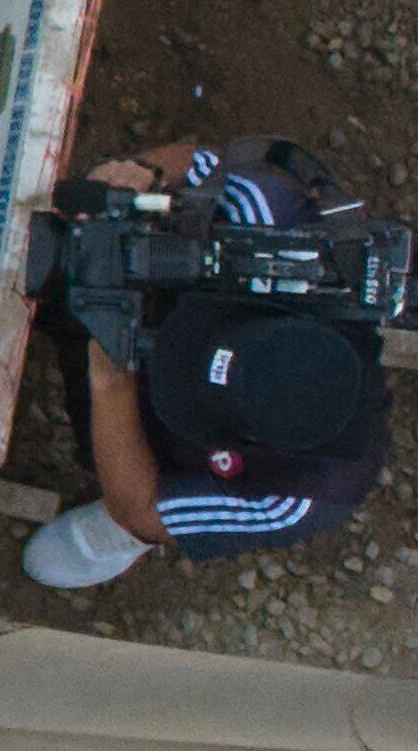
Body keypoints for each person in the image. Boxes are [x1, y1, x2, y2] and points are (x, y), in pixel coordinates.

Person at [31, 139, 397, 591]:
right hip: (174, 299)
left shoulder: (299, 497)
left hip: (158, 433)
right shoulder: (280, 237)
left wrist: (109, 379)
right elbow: (199, 161)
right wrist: (143, 172)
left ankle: (164, 511)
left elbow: (142, 509)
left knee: (120, 466)